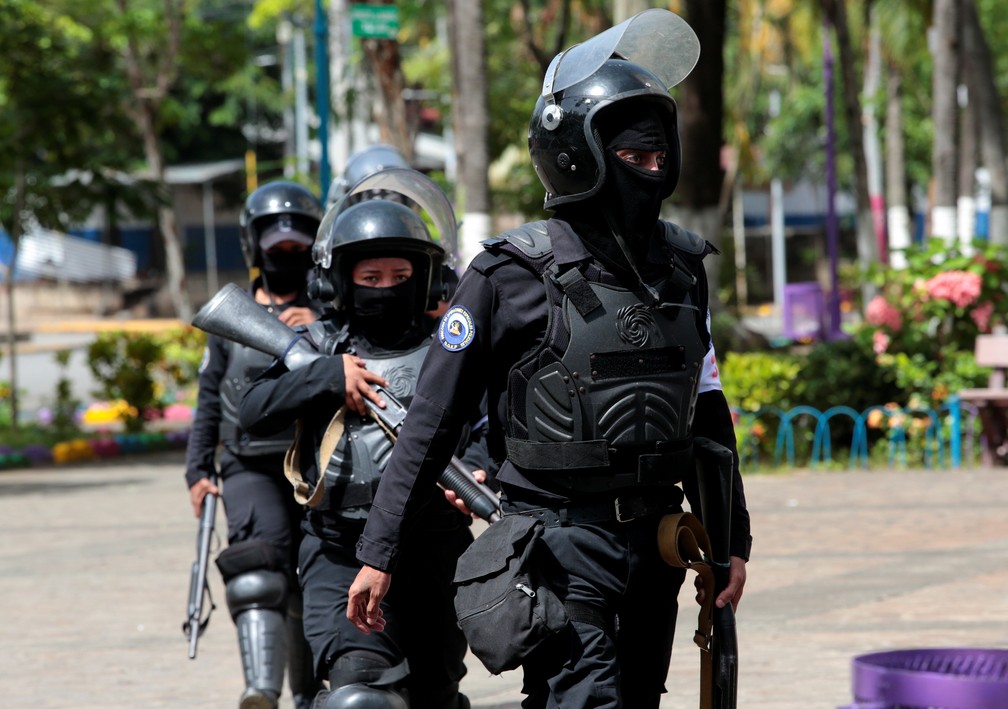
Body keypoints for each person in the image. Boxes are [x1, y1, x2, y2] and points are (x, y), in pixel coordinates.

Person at [347, 9, 752, 708]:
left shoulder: (683, 268)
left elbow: (705, 411)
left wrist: (729, 539)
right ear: (576, 154)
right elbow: (431, 421)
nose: (651, 169)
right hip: (558, 548)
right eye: (635, 155)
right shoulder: (509, 274)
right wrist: (378, 551)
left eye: (659, 154)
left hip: (656, 543)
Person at [237, 181, 487, 709]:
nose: (386, 288)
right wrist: (326, 377)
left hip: (435, 552)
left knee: (434, 696)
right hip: (339, 551)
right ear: (340, 283)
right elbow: (253, 413)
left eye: (400, 277)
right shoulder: (320, 346)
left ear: (425, 279)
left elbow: (493, 425)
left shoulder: (451, 347)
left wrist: (482, 469)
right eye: (370, 277)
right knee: (359, 696)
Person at [185, 180, 325, 709]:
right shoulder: (230, 314)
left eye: (297, 248)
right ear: (254, 246)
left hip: (317, 464)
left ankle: (309, 694)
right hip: (248, 466)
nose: (287, 257)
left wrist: (320, 328)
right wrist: (198, 470)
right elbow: (207, 399)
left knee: (312, 581)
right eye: (277, 249)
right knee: (259, 569)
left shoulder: (332, 307)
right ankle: (261, 691)